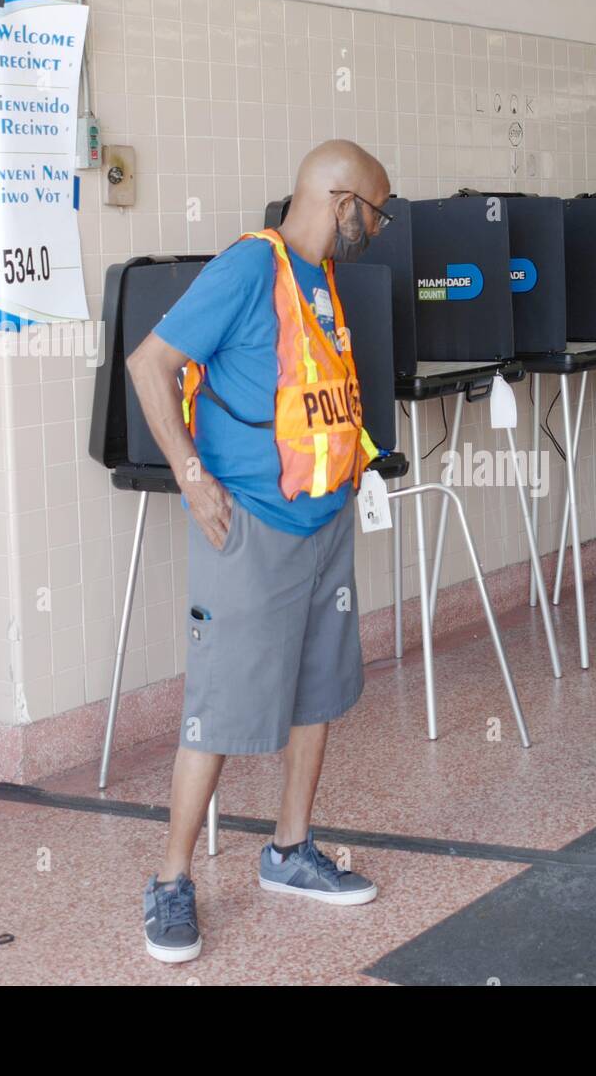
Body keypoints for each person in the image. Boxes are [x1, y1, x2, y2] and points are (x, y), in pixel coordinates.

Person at [126, 140, 392, 963]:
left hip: (324, 526)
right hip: (250, 528)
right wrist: (192, 477)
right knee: (217, 702)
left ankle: (288, 850)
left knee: (316, 692)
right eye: (374, 212)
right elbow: (151, 364)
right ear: (341, 199)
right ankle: (171, 879)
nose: (376, 229)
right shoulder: (251, 266)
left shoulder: (324, 282)